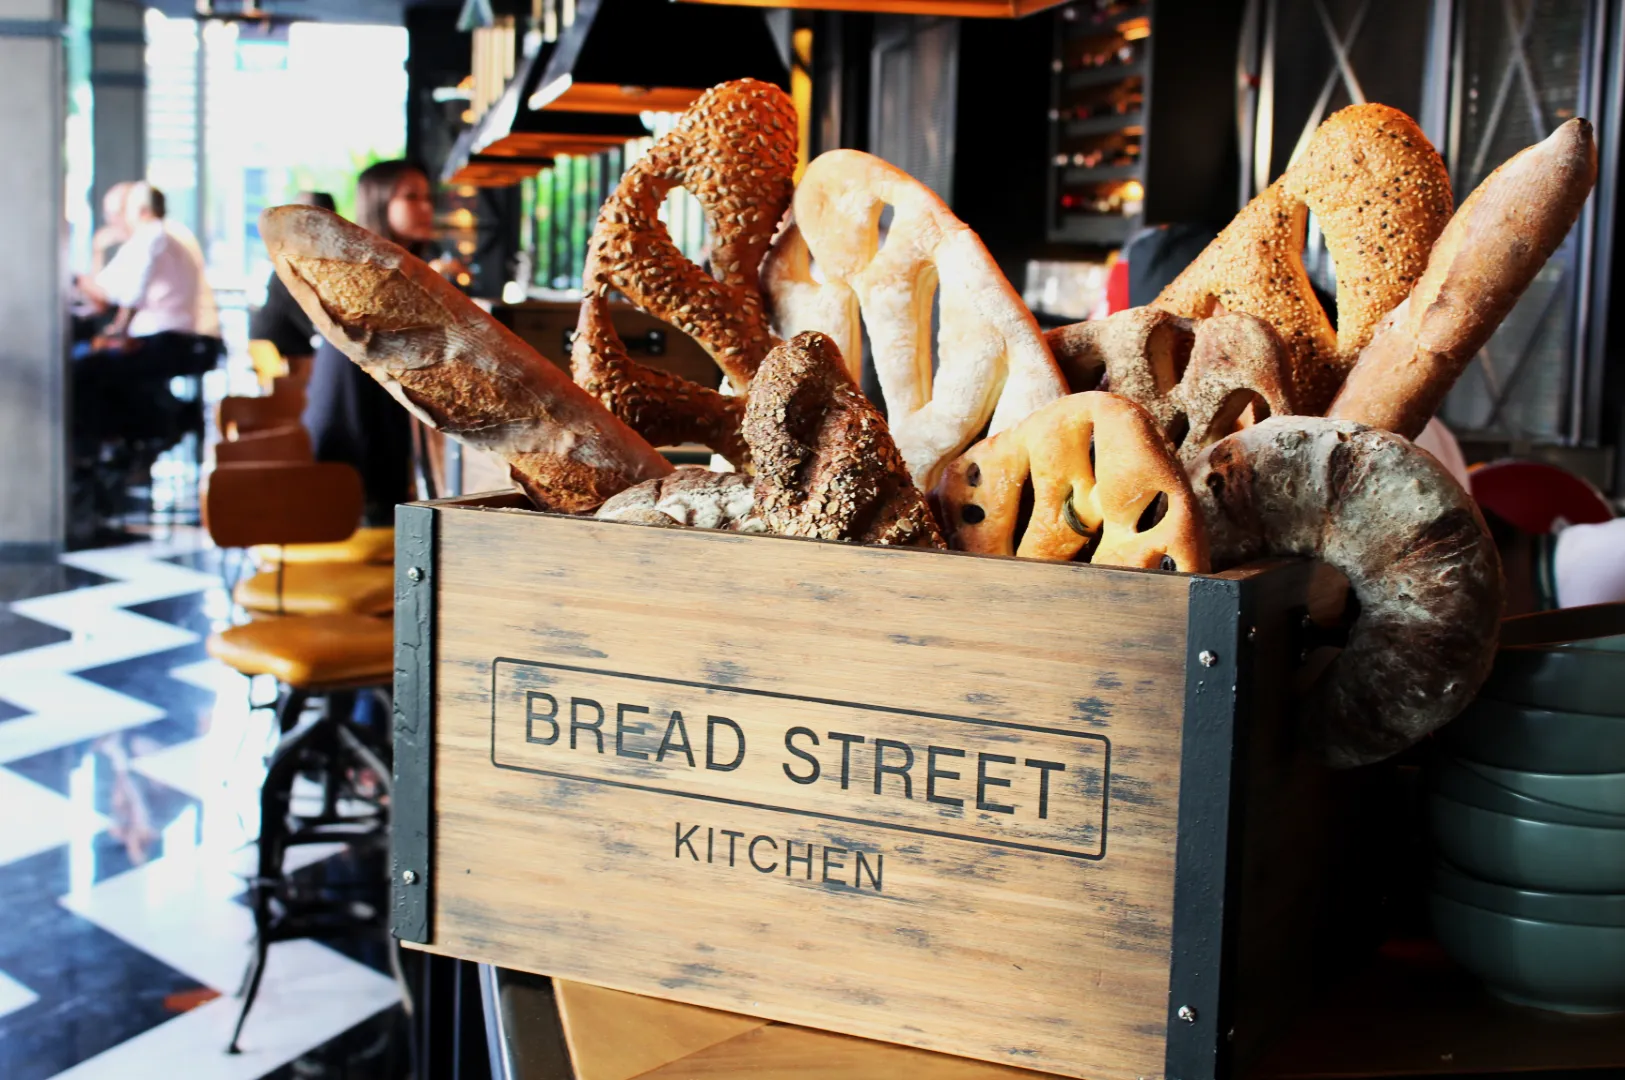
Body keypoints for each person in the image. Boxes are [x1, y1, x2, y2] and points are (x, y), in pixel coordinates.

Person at [302, 161, 435, 526]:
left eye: (427, 197)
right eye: (411, 197)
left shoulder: (397, 268)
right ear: (379, 201)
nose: (426, 207)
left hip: (371, 429)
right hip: (354, 441)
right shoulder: (373, 273)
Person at [251, 190, 335, 368]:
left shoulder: (295, 262)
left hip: (282, 353)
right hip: (287, 358)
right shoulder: (294, 267)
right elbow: (318, 326)